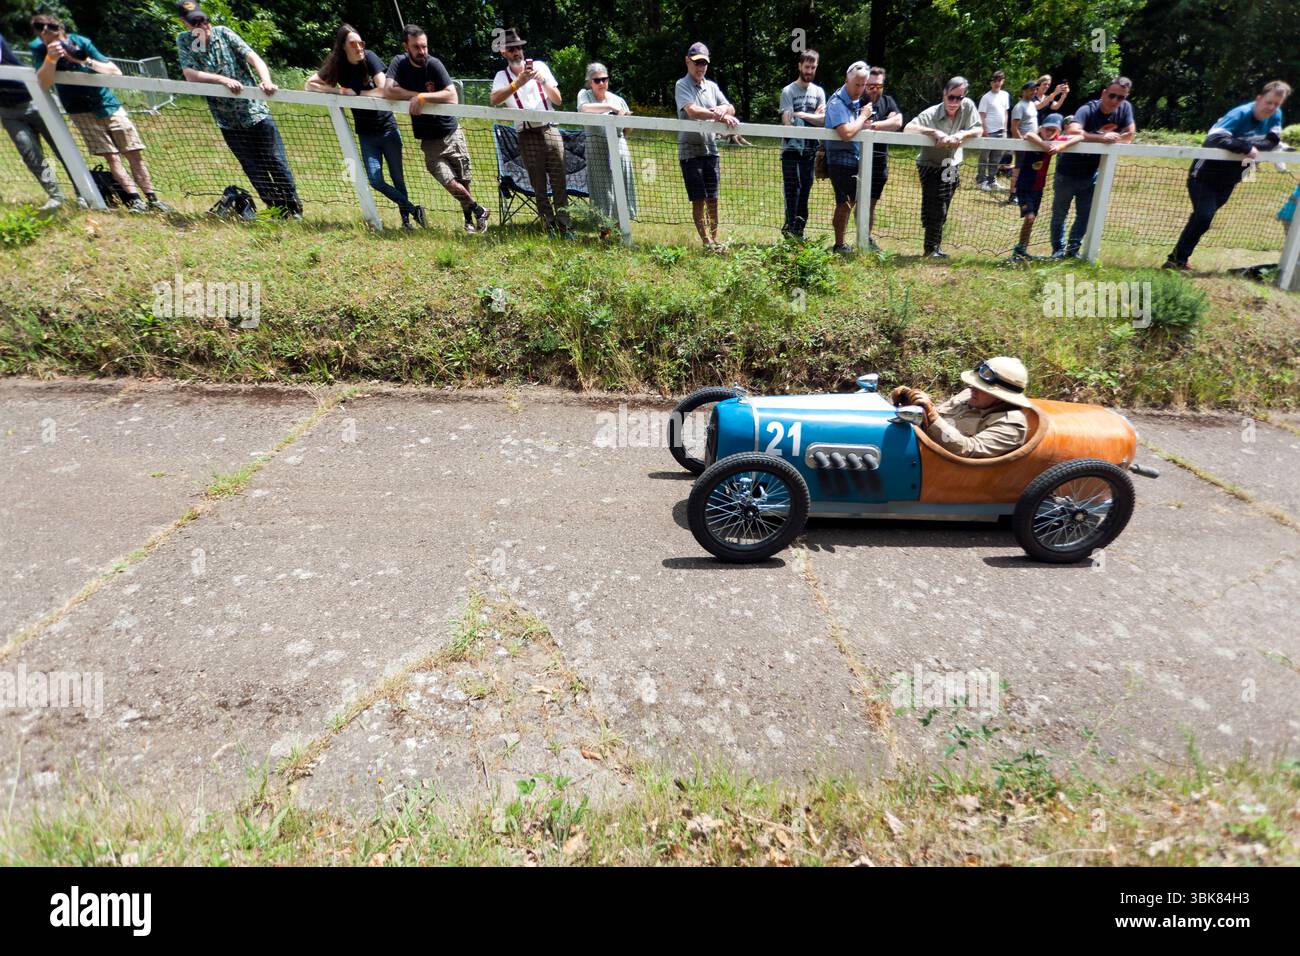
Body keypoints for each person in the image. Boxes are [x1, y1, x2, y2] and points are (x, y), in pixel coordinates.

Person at [174, 1, 301, 218]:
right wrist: (222, 80)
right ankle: (276, 210)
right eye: (196, 22)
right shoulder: (185, 41)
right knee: (254, 168)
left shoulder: (224, 33)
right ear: (184, 23)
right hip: (228, 122)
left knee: (276, 162)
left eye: (205, 19)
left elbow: (253, 58)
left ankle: (293, 208)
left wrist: (266, 81)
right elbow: (190, 73)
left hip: (256, 113)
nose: (204, 25)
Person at [32, 16, 168, 213]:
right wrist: (51, 59)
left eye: (51, 27)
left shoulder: (81, 43)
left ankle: (152, 199)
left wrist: (84, 61)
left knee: (134, 154)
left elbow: (115, 71)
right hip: (80, 111)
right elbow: (43, 83)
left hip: (108, 105)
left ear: (61, 29)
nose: (46, 31)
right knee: (112, 158)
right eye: (40, 29)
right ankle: (134, 200)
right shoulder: (39, 49)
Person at [306, 24, 421, 229]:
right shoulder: (337, 64)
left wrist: (357, 95)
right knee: (375, 180)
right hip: (366, 134)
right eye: (353, 43)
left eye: (361, 43)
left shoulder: (370, 57)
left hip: (387, 129)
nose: (359, 47)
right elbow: (310, 84)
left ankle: (406, 221)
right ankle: (414, 210)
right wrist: (340, 91)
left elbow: (384, 89)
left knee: (398, 178)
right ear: (343, 47)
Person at [1167, 80, 1291, 270]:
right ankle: (1177, 260)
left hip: (1231, 178)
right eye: (1269, 102)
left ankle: (1177, 260)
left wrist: (1249, 147)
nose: (1272, 108)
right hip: (1204, 175)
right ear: (1259, 99)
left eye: (1276, 104)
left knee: (1201, 220)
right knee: (1203, 217)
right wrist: (1246, 146)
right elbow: (1214, 138)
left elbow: (1272, 141)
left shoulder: (1276, 115)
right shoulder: (1239, 114)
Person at [386, 25, 490, 234]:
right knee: (448, 182)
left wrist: (423, 97)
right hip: (429, 140)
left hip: (451, 133)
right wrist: (414, 95)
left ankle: (469, 220)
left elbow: (452, 95)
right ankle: (480, 210)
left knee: (463, 181)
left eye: (424, 46)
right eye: (416, 47)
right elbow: (388, 90)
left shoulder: (434, 64)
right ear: (406, 46)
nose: (422, 51)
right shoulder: (399, 63)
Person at [490, 27, 569, 237]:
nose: (517, 52)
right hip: (526, 134)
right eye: (512, 49)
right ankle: (549, 226)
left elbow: (558, 100)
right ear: (503, 52)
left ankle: (565, 226)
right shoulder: (501, 76)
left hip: (550, 129)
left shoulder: (541, 67)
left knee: (559, 180)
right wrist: (518, 83)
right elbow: (495, 99)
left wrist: (541, 80)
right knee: (538, 184)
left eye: (519, 48)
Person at [1050, 76, 1135, 259]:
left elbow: (1130, 135)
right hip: (1067, 172)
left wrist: (1110, 136)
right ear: (1104, 93)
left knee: (1085, 215)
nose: (1115, 101)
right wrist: (1102, 138)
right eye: (1112, 96)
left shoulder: (1125, 109)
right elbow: (1072, 131)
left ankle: (1072, 251)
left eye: (1121, 98)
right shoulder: (1088, 109)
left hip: (1092, 174)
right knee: (1059, 214)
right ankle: (1057, 250)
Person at [890, 357, 1031, 459]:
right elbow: (937, 418)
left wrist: (931, 415)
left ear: (1002, 396)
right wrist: (910, 400)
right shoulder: (970, 396)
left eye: (981, 387)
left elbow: (969, 449)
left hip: (942, 473)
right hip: (918, 449)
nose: (971, 387)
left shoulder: (1011, 426)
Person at [905, 76, 982, 258]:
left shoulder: (968, 106)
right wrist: (933, 132)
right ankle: (930, 249)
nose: (955, 102)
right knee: (935, 206)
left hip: (951, 164)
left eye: (959, 98)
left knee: (943, 205)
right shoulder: (931, 113)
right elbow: (908, 128)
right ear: (944, 94)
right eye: (951, 97)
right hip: (929, 165)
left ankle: (935, 246)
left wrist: (962, 134)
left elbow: (978, 129)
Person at [674, 42, 738, 249]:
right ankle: (706, 242)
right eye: (697, 63)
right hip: (690, 151)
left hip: (711, 149)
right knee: (699, 199)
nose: (700, 67)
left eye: (704, 63)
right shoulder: (681, 85)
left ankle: (715, 239)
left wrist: (723, 109)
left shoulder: (712, 87)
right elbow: (692, 111)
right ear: (687, 61)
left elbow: (731, 107)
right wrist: (717, 113)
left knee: (713, 198)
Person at [0, 29, 68, 210]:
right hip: (7, 111)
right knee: (29, 153)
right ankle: (56, 196)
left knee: (62, 150)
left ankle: (83, 193)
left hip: (34, 101)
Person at [577, 61, 637, 238]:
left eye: (604, 79)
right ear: (590, 82)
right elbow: (584, 109)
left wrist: (625, 118)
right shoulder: (584, 95)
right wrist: (610, 108)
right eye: (597, 80)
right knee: (602, 190)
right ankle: (604, 230)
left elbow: (627, 130)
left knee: (622, 187)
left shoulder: (618, 99)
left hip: (619, 148)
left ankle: (621, 231)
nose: (601, 83)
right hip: (596, 150)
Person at [823, 61, 872, 254]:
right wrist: (863, 118)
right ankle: (839, 244)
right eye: (857, 84)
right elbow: (846, 133)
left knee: (849, 202)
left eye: (863, 85)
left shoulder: (853, 101)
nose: (860, 89)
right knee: (844, 203)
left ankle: (842, 243)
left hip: (854, 159)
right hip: (840, 161)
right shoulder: (836, 103)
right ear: (847, 80)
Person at [778, 50, 825, 238]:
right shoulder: (788, 91)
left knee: (805, 188)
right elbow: (787, 121)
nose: (809, 71)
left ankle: (799, 230)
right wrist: (813, 116)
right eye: (807, 67)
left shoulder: (819, 92)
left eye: (813, 67)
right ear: (800, 66)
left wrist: (802, 115)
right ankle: (790, 229)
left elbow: (824, 120)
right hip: (790, 149)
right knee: (792, 189)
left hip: (810, 149)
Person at [1010, 114, 1068, 260]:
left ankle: (1021, 249)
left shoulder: (1055, 143)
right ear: (1041, 129)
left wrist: (1060, 146)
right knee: (1029, 217)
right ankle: (1019, 249)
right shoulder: (1035, 140)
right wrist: (1044, 146)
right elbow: (1028, 134)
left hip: (1038, 188)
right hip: (1024, 186)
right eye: (1046, 129)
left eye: (1053, 131)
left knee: (1031, 219)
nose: (1049, 133)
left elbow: (1075, 139)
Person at [862, 65, 903, 249]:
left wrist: (874, 125)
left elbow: (897, 121)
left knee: (870, 205)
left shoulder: (888, 102)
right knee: (849, 203)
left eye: (878, 86)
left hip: (879, 162)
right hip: (855, 161)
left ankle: (866, 238)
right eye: (870, 85)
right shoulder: (856, 100)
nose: (874, 90)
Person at [1004, 79, 1040, 204]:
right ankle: (1012, 195)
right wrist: (1021, 144)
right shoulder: (1019, 107)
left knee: (1029, 170)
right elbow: (1014, 128)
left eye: (1035, 89)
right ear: (1024, 91)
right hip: (1023, 145)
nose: (1034, 92)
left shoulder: (1032, 104)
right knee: (1018, 169)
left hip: (1033, 145)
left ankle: (1023, 192)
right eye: (1031, 89)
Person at [976, 70, 1009, 190]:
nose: (997, 83)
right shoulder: (986, 97)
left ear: (1003, 81)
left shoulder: (1005, 95)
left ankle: (992, 180)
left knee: (996, 158)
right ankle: (981, 180)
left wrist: (1005, 129)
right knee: (984, 157)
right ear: (991, 82)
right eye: (995, 81)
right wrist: (985, 131)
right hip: (989, 132)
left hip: (1001, 132)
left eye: (999, 80)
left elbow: (1005, 112)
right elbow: (981, 115)